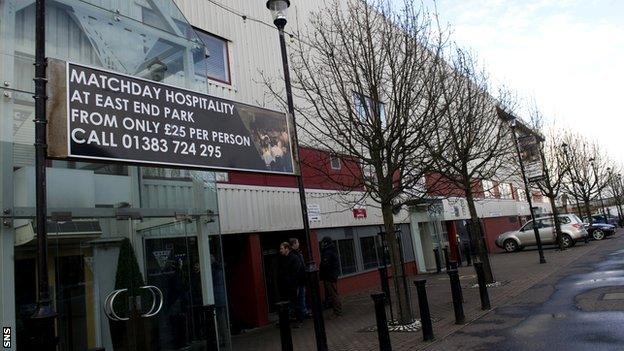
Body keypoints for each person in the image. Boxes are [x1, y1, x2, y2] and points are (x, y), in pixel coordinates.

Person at [278, 242, 304, 327]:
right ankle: (291, 319)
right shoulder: (283, 259)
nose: (280, 250)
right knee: (290, 303)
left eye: (282, 248)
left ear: (287, 249)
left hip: (294, 285)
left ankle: (300, 321)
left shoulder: (294, 258)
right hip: (287, 286)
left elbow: (296, 272)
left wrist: (291, 281)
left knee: (296, 302)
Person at [319, 237, 342, 318]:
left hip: (329, 276)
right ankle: (337, 311)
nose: (321, 244)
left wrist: (323, 274)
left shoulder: (327, 252)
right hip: (332, 275)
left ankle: (337, 312)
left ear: (325, 243)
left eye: (322, 243)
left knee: (333, 294)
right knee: (334, 293)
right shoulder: (331, 250)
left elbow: (325, 265)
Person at [289, 238, 309, 318]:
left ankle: (303, 311)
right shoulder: (292, 255)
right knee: (296, 298)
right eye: (297, 242)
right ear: (294, 244)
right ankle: (295, 313)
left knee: (302, 297)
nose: (298, 244)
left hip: (301, 280)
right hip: (297, 281)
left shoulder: (299, 253)